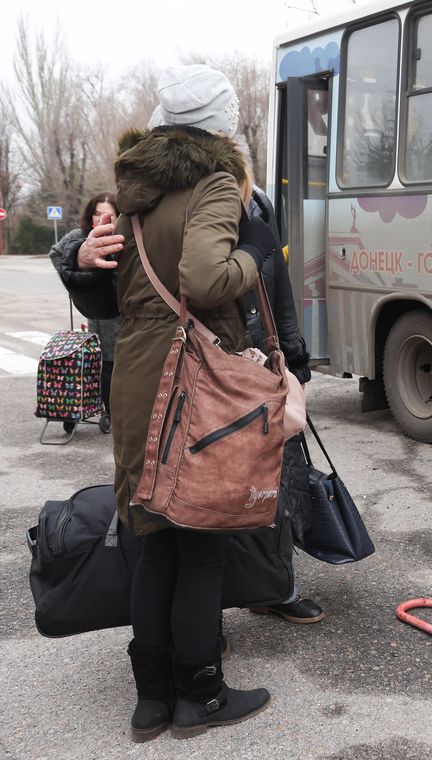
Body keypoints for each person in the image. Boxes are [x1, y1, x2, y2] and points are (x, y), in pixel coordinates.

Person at [66, 64, 279, 742]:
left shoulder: (132, 190)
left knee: (154, 541)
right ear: (219, 124)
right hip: (194, 378)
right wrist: (256, 252)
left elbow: (103, 279)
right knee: (201, 544)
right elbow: (204, 279)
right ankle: (202, 695)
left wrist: (76, 261)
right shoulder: (213, 182)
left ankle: (151, 700)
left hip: (135, 374)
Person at [242, 183, 326, 625]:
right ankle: (209, 611)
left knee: (277, 489)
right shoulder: (186, 212)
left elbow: (282, 301)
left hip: (267, 372)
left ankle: (275, 588)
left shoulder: (259, 211)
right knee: (219, 493)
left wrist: (296, 363)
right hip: (214, 378)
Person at [48, 192, 123, 434]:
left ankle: (115, 409)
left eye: (108, 214)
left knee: (119, 362)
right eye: (97, 214)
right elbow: (56, 253)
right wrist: (75, 279)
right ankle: (108, 411)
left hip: (124, 310)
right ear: (91, 217)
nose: (102, 219)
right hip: (99, 314)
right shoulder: (82, 236)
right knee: (106, 361)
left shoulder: (125, 236)